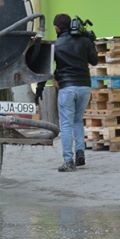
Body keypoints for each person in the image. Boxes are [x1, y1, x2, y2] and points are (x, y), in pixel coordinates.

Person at [35, 13, 98, 172]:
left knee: (66, 124)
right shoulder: (84, 41)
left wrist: (39, 90)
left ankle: (68, 161)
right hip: (84, 87)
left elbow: (46, 70)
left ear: (57, 27)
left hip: (67, 88)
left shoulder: (56, 45)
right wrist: (91, 42)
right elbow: (94, 61)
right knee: (78, 120)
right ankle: (80, 153)